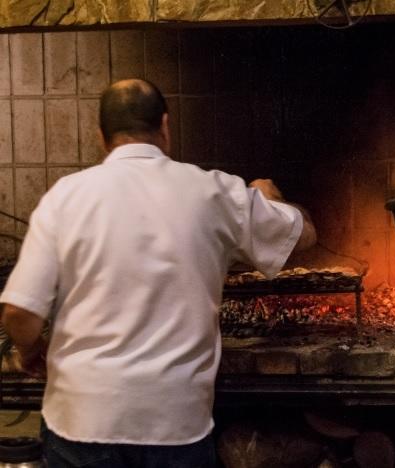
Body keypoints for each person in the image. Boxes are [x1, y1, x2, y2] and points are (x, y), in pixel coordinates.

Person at [0, 78, 316, 467]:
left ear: (102, 136)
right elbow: (304, 234)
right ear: (165, 127)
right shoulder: (214, 192)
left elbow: (19, 313)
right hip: (175, 423)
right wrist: (270, 196)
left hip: (82, 418)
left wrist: (30, 352)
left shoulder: (65, 197)